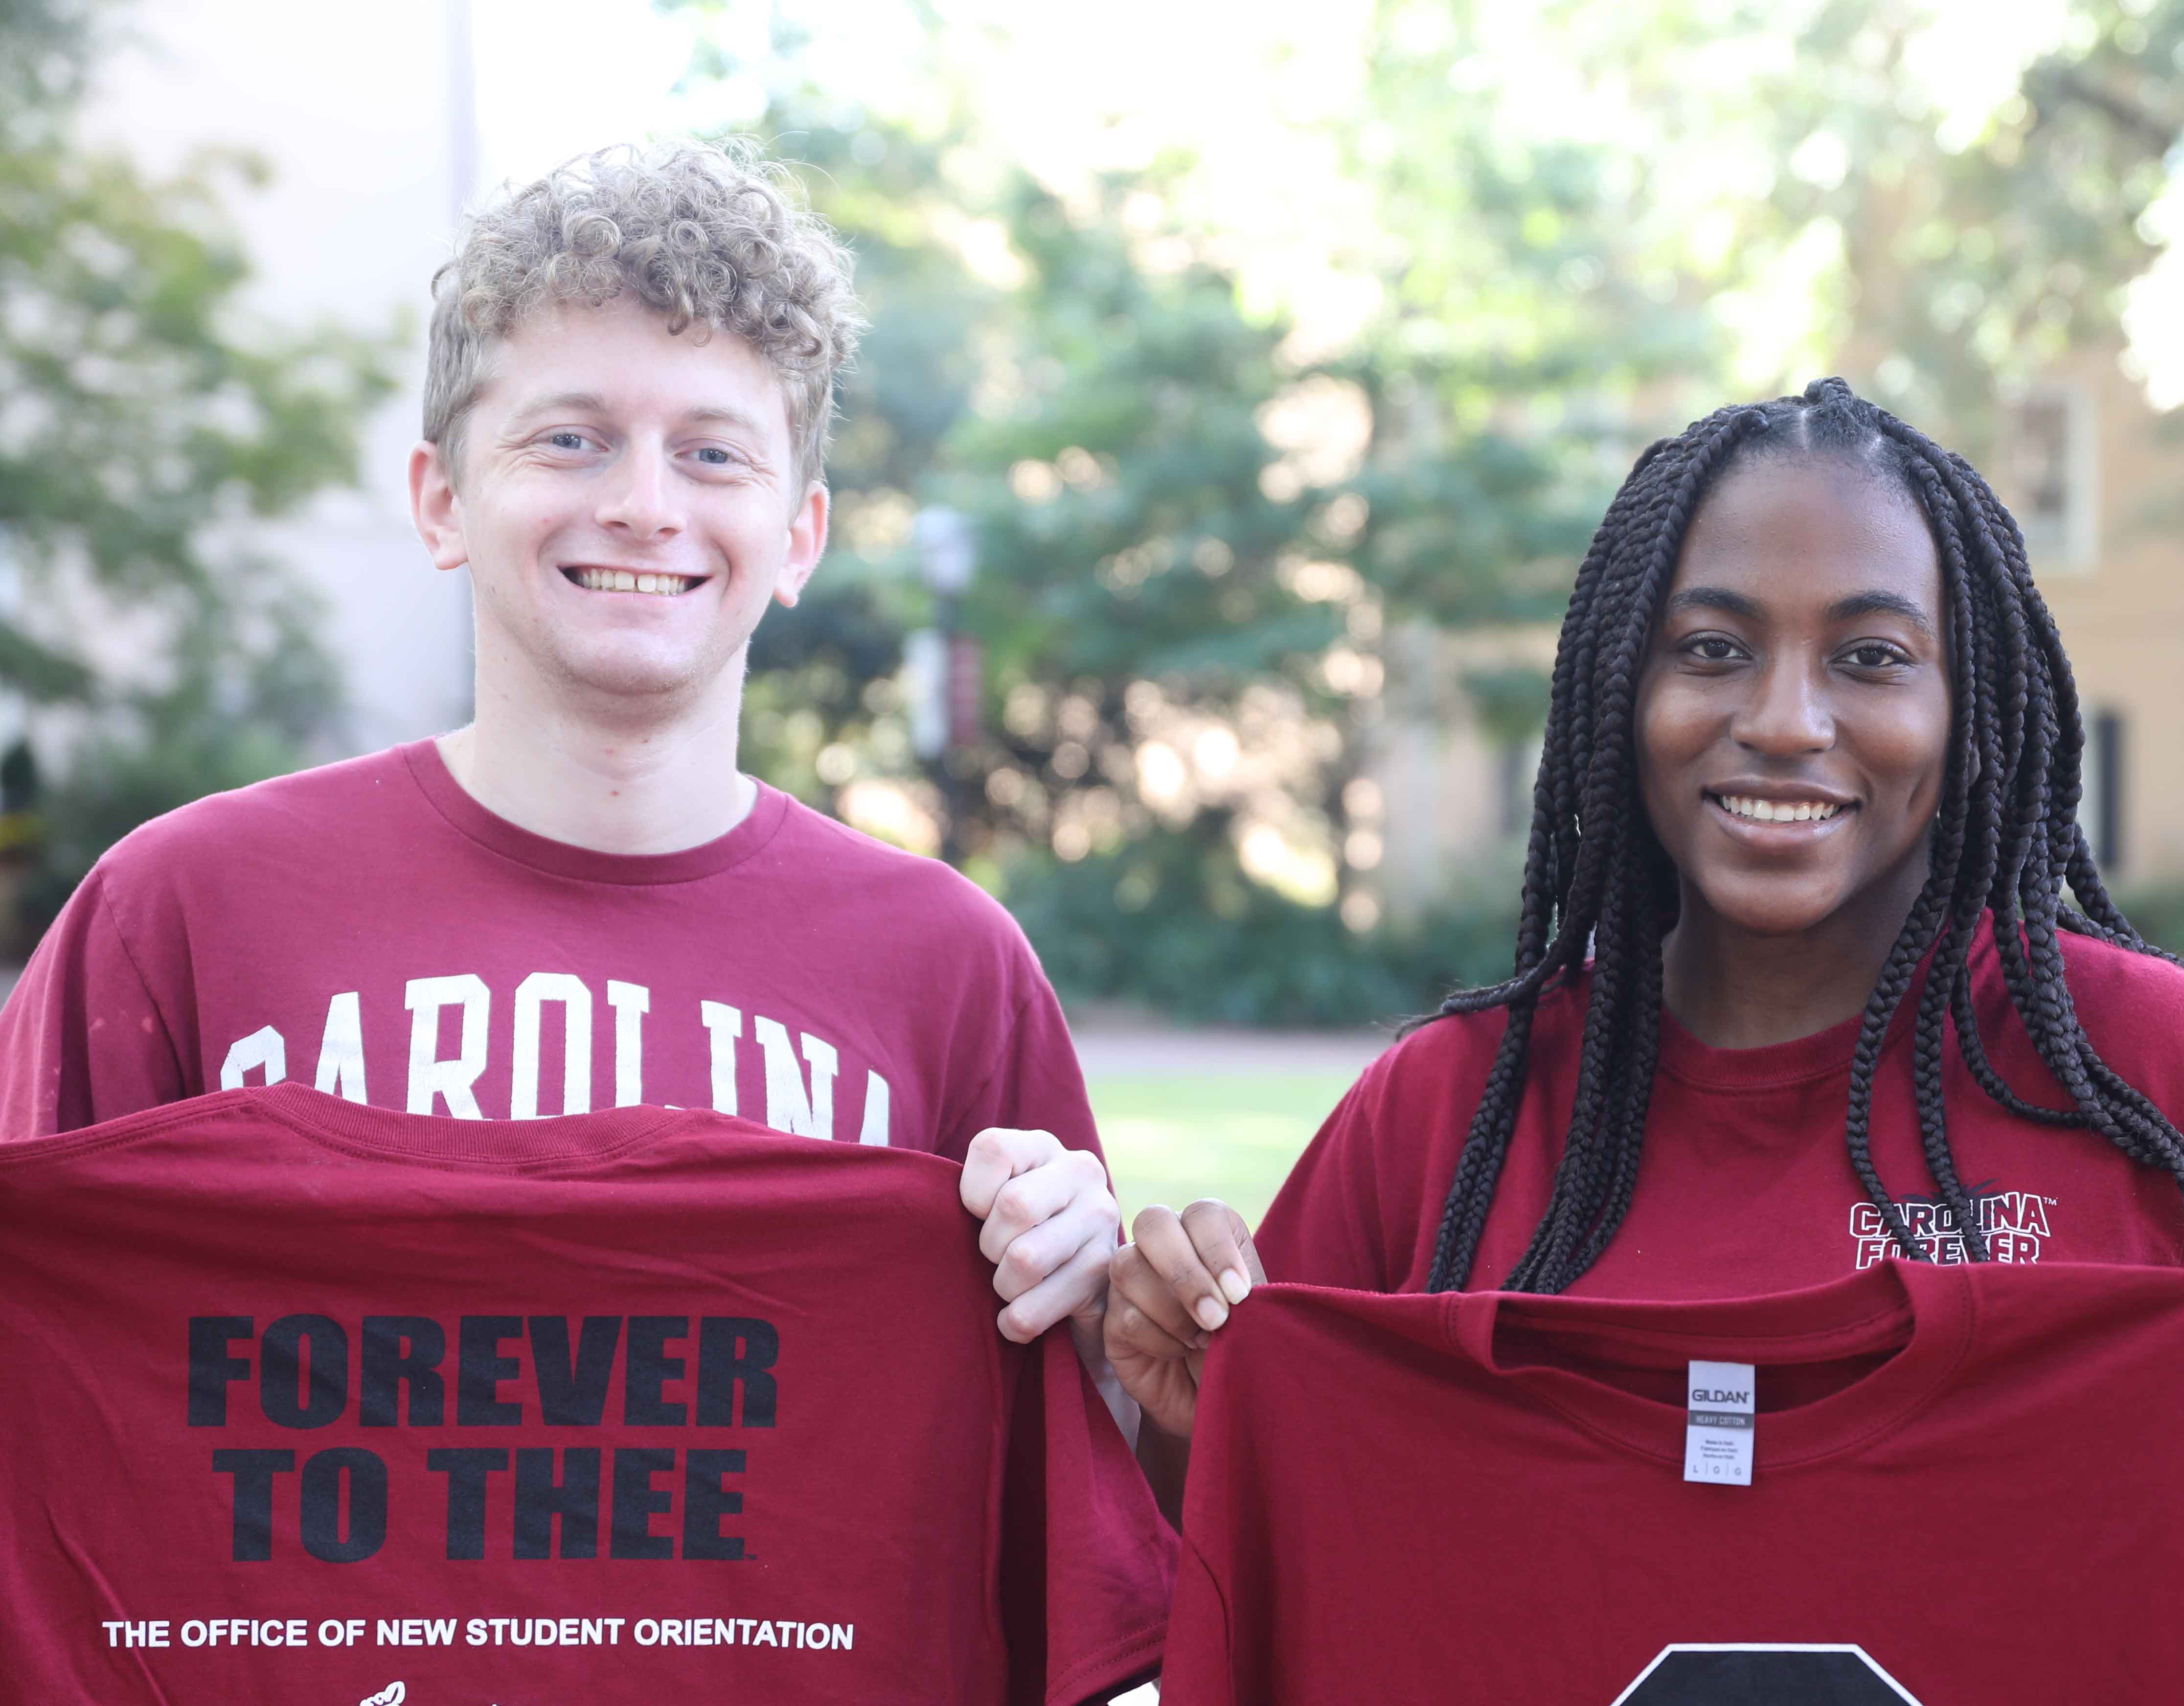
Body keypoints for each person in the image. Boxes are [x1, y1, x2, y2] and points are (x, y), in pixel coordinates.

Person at [0, 139, 1117, 1356]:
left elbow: (1091, 1479)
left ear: (798, 536)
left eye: (713, 452)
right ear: (442, 502)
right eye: (571, 439)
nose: (646, 503)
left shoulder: (949, 968)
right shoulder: (178, 913)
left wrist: (1090, 1298)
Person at [1106, 376, 2184, 1494]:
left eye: (1871, 657)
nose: (1783, 723)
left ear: (1973, 711)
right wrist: (1184, 1392)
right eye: (1714, 649)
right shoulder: (1444, 1118)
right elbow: (1253, 1552)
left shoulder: (2148, 1076)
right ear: (1622, 688)